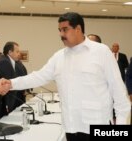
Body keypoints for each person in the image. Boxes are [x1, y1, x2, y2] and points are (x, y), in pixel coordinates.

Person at [9, 12, 131, 141]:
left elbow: (119, 93)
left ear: (78, 29)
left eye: (65, 29)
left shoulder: (101, 52)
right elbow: (38, 77)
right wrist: (10, 84)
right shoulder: (59, 56)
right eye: (59, 30)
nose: (61, 34)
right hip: (71, 127)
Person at [0, 41, 20, 113]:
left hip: (11, 100)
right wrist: (7, 105)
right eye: (17, 51)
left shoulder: (9, 61)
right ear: (10, 52)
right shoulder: (4, 62)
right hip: (7, 101)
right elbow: (6, 84)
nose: (19, 54)